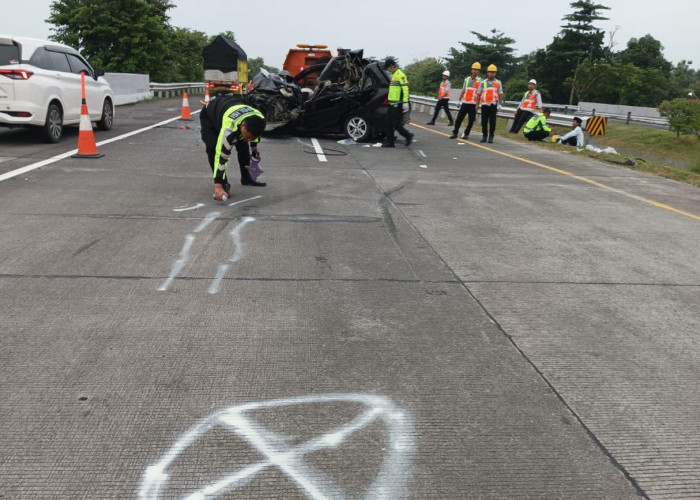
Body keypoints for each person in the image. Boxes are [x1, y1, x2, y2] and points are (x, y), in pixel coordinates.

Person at [200, 95, 267, 201]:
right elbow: (221, 156)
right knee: (212, 148)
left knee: (243, 144)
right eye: (248, 136)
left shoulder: (259, 118)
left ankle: (246, 178)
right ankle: (223, 183)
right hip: (210, 116)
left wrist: (254, 147)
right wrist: (218, 186)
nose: (249, 139)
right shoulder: (229, 129)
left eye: (252, 138)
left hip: (229, 107)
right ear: (243, 125)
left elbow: (255, 135)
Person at [383, 58, 414, 148]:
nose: (388, 70)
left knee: (396, 124)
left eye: (388, 68)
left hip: (398, 104)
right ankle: (390, 142)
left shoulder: (401, 75)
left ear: (392, 67)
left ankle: (408, 136)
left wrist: (405, 102)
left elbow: (405, 89)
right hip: (392, 104)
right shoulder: (394, 76)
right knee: (388, 123)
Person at [450, 62, 482, 139]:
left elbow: (479, 93)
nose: (475, 71)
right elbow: (463, 90)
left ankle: (466, 133)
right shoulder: (467, 79)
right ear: (471, 70)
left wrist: (478, 104)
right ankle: (455, 133)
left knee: (471, 120)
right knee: (459, 118)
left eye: (477, 70)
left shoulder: (480, 81)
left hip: (473, 104)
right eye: (474, 69)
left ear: (479, 71)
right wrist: (459, 99)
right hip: (465, 102)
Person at [476, 64, 504, 143]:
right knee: (484, 121)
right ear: (487, 73)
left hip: (493, 104)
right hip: (484, 104)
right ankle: (484, 136)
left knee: (492, 121)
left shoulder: (498, 82)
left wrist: (500, 104)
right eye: (490, 72)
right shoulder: (483, 82)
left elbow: (500, 93)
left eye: (493, 72)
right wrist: (477, 104)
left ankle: (491, 136)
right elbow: (478, 93)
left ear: (495, 73)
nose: (491, 74)